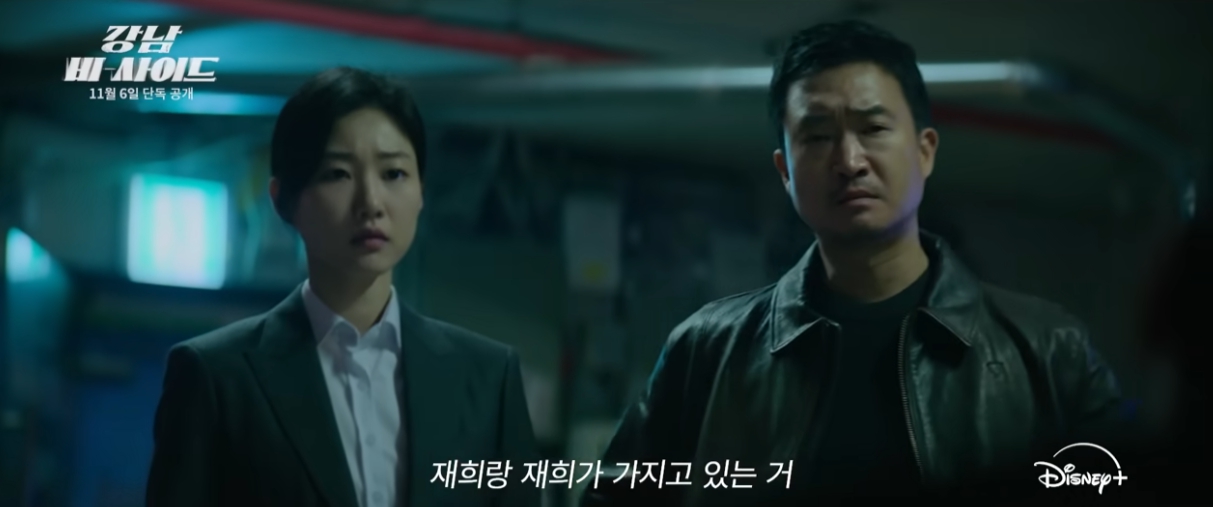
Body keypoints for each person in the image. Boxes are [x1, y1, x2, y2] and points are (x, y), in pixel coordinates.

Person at [583, 21, 1125, 505]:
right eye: (818, 136)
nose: (848, 160)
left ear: (925, 150)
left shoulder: (1047, 351)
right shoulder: (707, 351)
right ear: (785, 171)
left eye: (873, 129)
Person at [146, 67, 540, 507]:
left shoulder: (487, 378)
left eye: (394, 173)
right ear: (283, 200)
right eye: (337, 173)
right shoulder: (217, 376)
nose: (371, 203)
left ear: (421, 192)